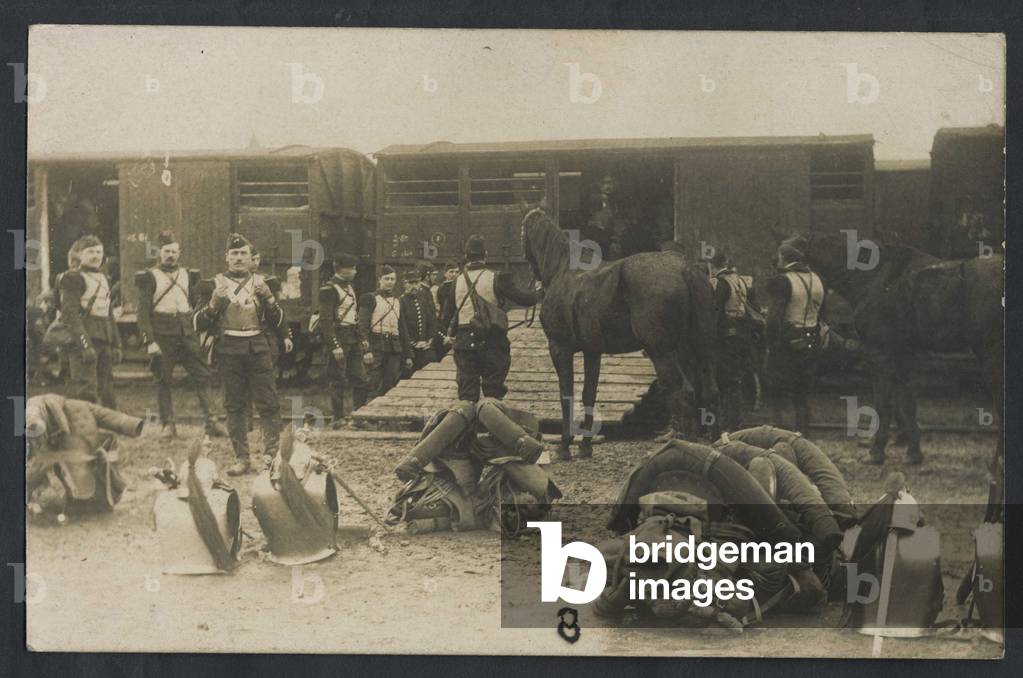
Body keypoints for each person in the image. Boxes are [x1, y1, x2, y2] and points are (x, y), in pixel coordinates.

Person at [195, 233, 291, 476]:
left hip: (258, 348)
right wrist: (213, 304)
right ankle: (242, 458)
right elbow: (197, 323)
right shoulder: (212, 285)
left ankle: (270, 455)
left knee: (268, 403)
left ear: (251, 258)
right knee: (234, 405)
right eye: (234, 254)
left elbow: (280, 322)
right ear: (226, 258)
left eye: (243, 254)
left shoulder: (264, 283)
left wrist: (269, 298)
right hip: (229, 349)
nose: (238, 258)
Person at [135, 230, 225, 439]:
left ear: (179, 252)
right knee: (163, 380)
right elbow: (142, 313)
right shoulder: (150, 277)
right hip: (162, 334)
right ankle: (168, 425)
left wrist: (201, 327)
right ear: (160, 252)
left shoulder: (189, 274)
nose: (170, 255)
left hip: (187, 333)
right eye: (167, 251)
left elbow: (196, 304)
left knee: (202, 375)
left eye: (174, 251)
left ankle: (212, 421)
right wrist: (149, 341)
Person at [440, 235, 542, 402]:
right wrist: (539, 290)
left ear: (466, 257)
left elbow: (445, 318)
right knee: (493, 393)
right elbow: (526, 300)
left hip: (465, 344)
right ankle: (491, 423)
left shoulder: (455, 283)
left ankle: (467, 425)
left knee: (466, 395)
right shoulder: (496, 278)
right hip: (492, 342)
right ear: (486, 255)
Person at [765, 242, 825, 436]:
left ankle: (780, 434)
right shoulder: (817, 279)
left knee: (778, 390)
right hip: (811, 341)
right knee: (802, 393)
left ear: (785, 258)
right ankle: (803, 435)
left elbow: (774, 320)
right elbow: (823, 313)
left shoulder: (783, 281)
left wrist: (771, 346)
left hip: (788, 345)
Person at [59, 235, 122, 408]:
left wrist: (116, 344)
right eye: (90, 252)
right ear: (80, 255)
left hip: (104, 339)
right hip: (85, 339)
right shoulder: (73, 278)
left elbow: (108, 313)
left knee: (107, 387)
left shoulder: (103, 278)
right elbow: (69, 314)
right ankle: (85, 432)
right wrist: (85, 345)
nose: (96, 256)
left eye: (99, 252)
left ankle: (110, 430)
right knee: (86, 390)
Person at [709, 251, 761, 436]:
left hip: (727, 336)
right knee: (735, 379)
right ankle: (735, 422)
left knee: (724, 381)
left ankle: (726, 424)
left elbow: (715, 311)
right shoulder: (739, 280)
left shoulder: (722, 283)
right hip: (741, 334)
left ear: (713, 266)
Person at [318, 252, 369, 427]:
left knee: (360, 378)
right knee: (338, 379)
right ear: (341, 269)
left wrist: (361, 338)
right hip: (339, 338)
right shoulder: (329, 289)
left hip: (352, 338)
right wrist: (334, 345)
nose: (355, 271)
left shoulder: (349, 287)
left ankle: (359, 418)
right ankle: (338, 419)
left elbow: (354, 317)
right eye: (352, 268)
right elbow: (325, 321)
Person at [359, 265, 413, 399]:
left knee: (390, 383)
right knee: (372, 381)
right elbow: (362, 327)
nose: (390, 282)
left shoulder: (397, 301)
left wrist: (408, 355)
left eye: (393, 279)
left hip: (394, 348)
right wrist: (367, 350)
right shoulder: (370, 298)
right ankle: (365, 413)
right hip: (376, 346)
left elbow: (402, 330)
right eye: (386, 278)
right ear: (379, 280)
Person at [400, 269, 438, 375]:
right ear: (404, 284)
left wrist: (429, 341)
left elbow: (432, 322)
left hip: (425, 348)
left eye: (416, 283)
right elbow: (402, 329)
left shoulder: (423, 300)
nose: (414, 286)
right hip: (409, 350)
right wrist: (413, 344)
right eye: (411, 283)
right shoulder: (401, 302)